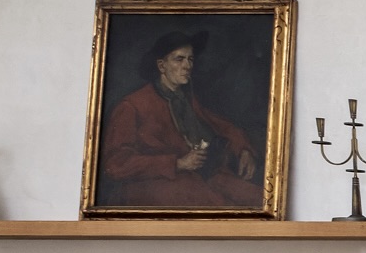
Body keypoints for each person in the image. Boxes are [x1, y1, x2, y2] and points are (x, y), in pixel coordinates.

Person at [98, 32, 264, 209]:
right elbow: (115, 164)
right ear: (162, 66)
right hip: (154, 187)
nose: (188, 66)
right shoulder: (131, 106)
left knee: (258, 199)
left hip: (201, 177)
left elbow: (218, 124)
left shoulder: (185, 98)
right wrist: (177, 163)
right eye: (179, 59)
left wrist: (243, 148)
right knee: (224, 211)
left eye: (190, 59)